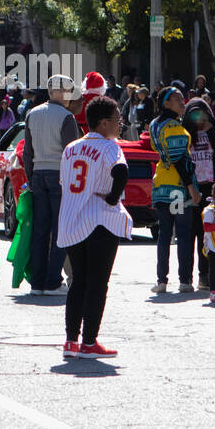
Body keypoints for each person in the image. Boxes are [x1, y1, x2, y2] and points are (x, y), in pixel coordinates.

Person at [57, 95, 131, 360]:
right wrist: (112, 198)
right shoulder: (111, 147)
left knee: (79, 280)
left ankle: (70, 340)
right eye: (117, 119)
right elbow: (121, 173)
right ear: (102, 123)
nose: (120, 124)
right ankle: (89, 341)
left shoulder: (71, 148)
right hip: (100, 220)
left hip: (73, 220)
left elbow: (65, 183)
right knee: (98, 283)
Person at [22, 74, 81, 294]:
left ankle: (37, 283)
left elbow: (27, 152)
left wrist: (31, 176)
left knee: (40, 230)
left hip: (37, 174)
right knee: (60, 230)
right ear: (58, 91)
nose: (68, 96)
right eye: (67, 91)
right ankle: (53, 281)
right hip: (60, 177)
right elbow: (71, 153)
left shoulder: (32, 114)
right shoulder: (66, 117)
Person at [149, 86, 200, 294]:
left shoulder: (154, 125)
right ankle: (185, 280)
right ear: (166, 103)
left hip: (161, 185)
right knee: (184, 234)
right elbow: (180, 161)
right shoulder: (174, 128)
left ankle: (161, 280)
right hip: (177, 190)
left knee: (164, 235)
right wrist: (192, 189)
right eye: (177, 98)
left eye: (183, 97)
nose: (183, 101)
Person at [185, 95, 215, 289]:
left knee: (214, 232)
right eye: (194, 115)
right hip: (193, 189)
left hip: (213, 192)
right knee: (195, 233)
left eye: (202, 114)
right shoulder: (184, 134)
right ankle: (197, 276)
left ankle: (212, 275)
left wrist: (210, 131)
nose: (199, 119)